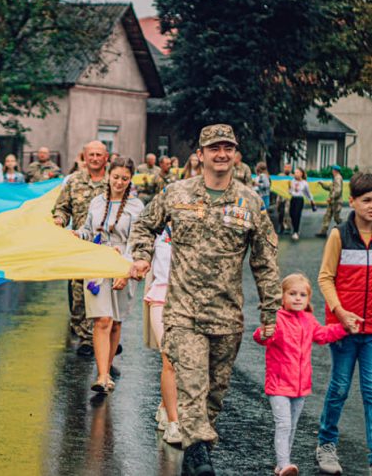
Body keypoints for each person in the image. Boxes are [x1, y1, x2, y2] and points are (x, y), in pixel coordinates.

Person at [128, 123, 281, 475]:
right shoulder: (177, 193)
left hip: (227, 315)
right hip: (183, 312)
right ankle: (198, 452)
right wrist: (142, 256)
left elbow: (265, 261)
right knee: (192, 382)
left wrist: (271, 312)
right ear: (201, 154)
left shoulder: (250, 201)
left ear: (235, 153)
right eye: (214, 148)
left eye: (228, 147)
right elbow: (144, 225)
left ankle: (197, 452)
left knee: (215, 392)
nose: (221, 154)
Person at [254, 274, 352, 476]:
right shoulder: (278, 319)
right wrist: (264, 333)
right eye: (292, 294)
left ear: (308, 299)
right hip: (279, 384)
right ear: (282, 297)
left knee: (292, 426)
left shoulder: (308, 320)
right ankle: (283, 464)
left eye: (302, 295)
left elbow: (322, 335)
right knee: (283, 424)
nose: (297, 298)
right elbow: (262, 336)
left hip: (300, 386)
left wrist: (343, 328)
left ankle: (284, 463)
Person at [315, 171, 372, 475]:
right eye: (366, 200)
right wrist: (339, 312)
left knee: (371, 391)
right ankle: (326, 445)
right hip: (344, 328)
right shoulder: (339, 234)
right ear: (352, 201)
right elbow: (325, 277)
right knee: (338, 389)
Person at [76, 157, 144, 393]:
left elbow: (138, 241)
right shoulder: (96, 202)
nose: (119, 182)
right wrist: (77, 236)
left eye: (125, 178)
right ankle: (102, 375)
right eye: (116, 177)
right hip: (97, 262)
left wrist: (125, 270)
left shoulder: (136, 206)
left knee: (115, 321)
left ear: (130, 180)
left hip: (123, 263)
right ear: (108, 176)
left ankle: (108, 364)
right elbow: (87, 230)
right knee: (101, 319)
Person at [52, 141, 109, 356]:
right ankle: (85, 336)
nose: (95, 158)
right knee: (79, 292)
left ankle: (104, 333)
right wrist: (59, 219)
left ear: (106, 157)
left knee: (105, 291)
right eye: (91, 155)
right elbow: (62, 207)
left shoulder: (113, 181)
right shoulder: (73, 182)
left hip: (106, 246)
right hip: (79, 245)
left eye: (99, 155)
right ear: (84, 157)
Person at [144, 224, 181, 446]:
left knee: (182, 360)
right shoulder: (155, 229)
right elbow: (138, 252)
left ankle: (165, 405)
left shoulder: (198, 224)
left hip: (188, 300)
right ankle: (174, 423)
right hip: (160, 296)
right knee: (168, 356)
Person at [288, 167, 316, 241]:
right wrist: (290, 190)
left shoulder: (304, 183)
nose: (295, 174)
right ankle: (295, 228)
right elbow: (290, 190)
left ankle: (296, 232)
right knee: (291, 214)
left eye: (297, 172)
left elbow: (308, 193)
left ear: (301, 174)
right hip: (293, 199)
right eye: (295, 172)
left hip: (299, 199)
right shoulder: (292, 181)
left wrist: (312, 200)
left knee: (297, 214)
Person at [317, 165, 344, 237]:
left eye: (332, 169)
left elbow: (338, 190)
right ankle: (323, 232)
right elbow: (330, 188)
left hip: (336, 202)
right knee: (327, 216)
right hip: (332, 202)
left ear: (335, 170)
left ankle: (345, 229)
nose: (331, 171)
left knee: (336, 218)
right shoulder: (335, 178)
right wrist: (322, 184)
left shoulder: (338, 178)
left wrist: (331, 197)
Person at [276, 163, 294, 234]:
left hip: (288, 196)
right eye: (286, 167)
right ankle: (281, 225)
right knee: (279, 211)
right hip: (280, 196)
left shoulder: (292, 177)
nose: (287, 169)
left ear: (290, 168)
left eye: (288, 167)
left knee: (287, 212)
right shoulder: (280, 176)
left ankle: (287, 227)